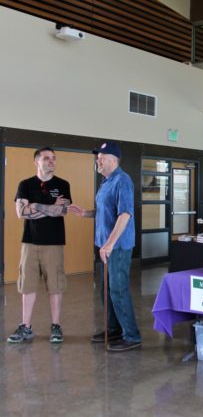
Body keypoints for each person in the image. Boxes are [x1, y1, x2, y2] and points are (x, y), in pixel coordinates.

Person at [68, 141, 141, 352]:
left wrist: (109, 244)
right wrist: (86, 213)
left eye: (101, 156)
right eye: (97, 157)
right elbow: (105, 212)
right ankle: (113, 329)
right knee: (106, 290)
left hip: (116, 247)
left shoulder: (123, 180)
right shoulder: (106, 181)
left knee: (118, 289)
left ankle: (132, 335)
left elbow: (124, 214)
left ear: (113, 160)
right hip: (104, 246)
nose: (97, 160)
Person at [7, 147, 71, 344]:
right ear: (37, 162)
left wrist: (34, 206)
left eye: (53, 158)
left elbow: (63, 211)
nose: (51, 161)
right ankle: (25, 326)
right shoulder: (25, 184)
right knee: (27, 285)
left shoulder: (63, 184)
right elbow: (21, 214)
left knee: (55, 286)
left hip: (54, 243)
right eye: (46, 158)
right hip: (30, 243)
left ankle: (56, 326)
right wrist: (51, 207)